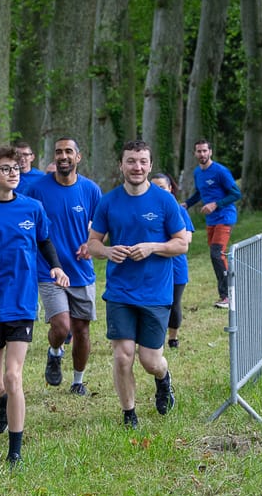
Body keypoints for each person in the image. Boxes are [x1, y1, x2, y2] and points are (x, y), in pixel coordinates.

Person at [0, 146, 69, 467]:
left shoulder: (32, 208)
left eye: (16, 168)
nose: (14, 173)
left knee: (14, 376)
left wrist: (56, 267)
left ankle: (15, 450)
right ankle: (1, 401)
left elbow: (45, 241)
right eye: (6, 169)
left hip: (21, 304)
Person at [87, 140, 188, 429]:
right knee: (122, 356)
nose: (137, 167)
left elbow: (181, 244)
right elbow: (92, 243)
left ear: (150, 165)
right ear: (121, 165)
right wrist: (107, 251)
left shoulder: (164, 201)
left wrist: (153, 247)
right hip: (120, 291)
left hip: (156, 292)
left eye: (143, 161)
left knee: (150, 360)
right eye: (131, 161)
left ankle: (163, 379)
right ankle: (129, 413)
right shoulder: (108, 201)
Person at [26, 138, 102, 395]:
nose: (63, 156)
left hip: (81, 271)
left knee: (81, 329)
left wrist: (91, 243)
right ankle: (55, 351)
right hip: (48, 269)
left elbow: (104, 227)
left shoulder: (91, 190)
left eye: (69, 151)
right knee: (62, 326)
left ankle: (77, 381)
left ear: (78, 157)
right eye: (58, 152)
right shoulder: (37, 190)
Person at [183, 139, 241, 309]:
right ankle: (230, 289)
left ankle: (227, 296)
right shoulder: (197, 173)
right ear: (194, 153)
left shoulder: (220, 171)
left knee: (217, 254)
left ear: (210, 152)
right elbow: (199, 193)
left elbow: (236, 194)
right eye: (198, 151)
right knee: (217, 255)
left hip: (225, 216)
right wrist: (186, 204)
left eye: (204, 151)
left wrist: (216, 204)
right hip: (211, 220)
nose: (202, 154)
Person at [151, 173, 195, 349]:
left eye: (162, 187)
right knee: (155, 303)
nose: (158, 191)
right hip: (153, 265)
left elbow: (187, 238)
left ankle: (173, 338)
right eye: (154, 187)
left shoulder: (179, 210)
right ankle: (154, 339)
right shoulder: (147, 211)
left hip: (176, 266)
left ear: (170, 189)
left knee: (173, 303)